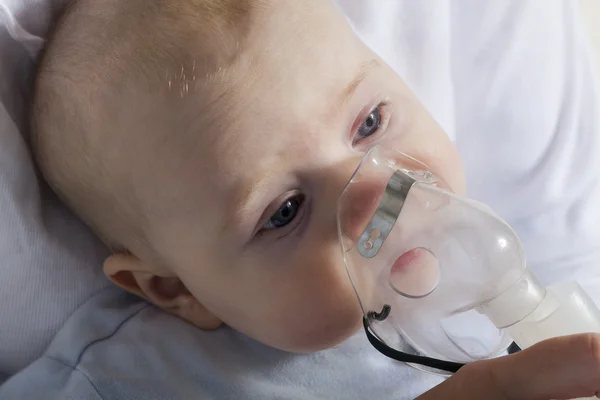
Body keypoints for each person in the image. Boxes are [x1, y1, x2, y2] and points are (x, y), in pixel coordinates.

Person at [2, 0, 600, 398]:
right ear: (174, 289)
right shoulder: (132, 379)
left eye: (369, 123)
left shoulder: (492, 286)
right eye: (284, 211)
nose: (375, 190)